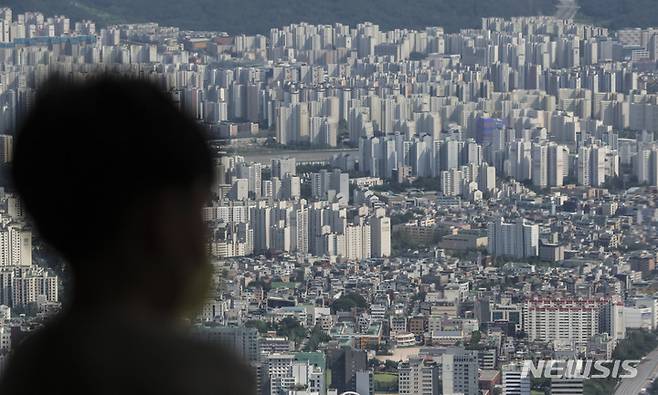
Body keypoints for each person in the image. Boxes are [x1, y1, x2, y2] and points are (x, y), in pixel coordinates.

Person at [0, 76, 254, 394]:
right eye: (199, 209)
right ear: (159, 223)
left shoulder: (29, 366)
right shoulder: (202, 376)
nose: (206, 232)